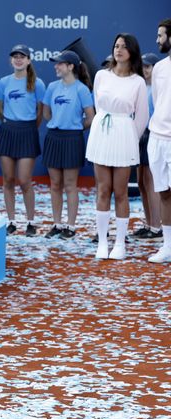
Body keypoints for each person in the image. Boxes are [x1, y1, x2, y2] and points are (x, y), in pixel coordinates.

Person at [86, 33, 149, 260]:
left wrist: (129, 138)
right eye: (116, 46)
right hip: (101, 133)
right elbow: (98, 104)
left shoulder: (138, 82)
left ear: (132, 51)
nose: (118, 50)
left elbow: (142, 117)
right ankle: (102, 242)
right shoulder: (101, 76)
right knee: (103, 190)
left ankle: (120, 244)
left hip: (124, 136)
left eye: (123, 47)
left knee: (121, 192)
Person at [42, 50, 95, 240]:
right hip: (53, 137)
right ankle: (57, 224)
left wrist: (73, 127)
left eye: (60, 63)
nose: (56, 66)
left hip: (73, 139)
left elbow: (90, 117)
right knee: (55, 184)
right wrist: (60, 122)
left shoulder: (81, 89)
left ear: (71, 66)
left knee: (70, 185)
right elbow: (47, 113)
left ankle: (70, 227)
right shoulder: (51, 87)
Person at [0, 44, 45, 236]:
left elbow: (40, 112)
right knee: (8, 179)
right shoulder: (3, 82)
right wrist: (10, 123)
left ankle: (31, 222)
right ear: (11, 60)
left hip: (27, 131)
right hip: (8, 131)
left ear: (28, 60)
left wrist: (28, 126)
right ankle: (11, 220)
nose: (18, 59)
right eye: (15, 56)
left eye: (22, 56)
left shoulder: (37, 83)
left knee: (24, 180)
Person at [147, 18, 171, 263]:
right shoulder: (160, 68)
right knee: (164, 193)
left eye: (161, 35)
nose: (157, 40)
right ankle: (167, 246)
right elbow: (158, 101)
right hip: (158, 138)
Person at [134, 52, 162, 239]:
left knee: (151, 183)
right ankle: (149, 223)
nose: (144, 70)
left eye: (148, 66)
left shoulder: (160, 89)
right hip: (139, 135)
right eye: (142, 66)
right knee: (142, 183)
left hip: (153, 135)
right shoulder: (140, 87)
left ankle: (157, 227)